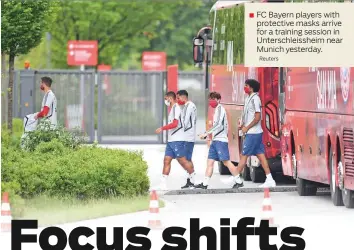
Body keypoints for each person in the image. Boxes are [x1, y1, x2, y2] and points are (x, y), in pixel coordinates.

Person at [225, 79, 276, 188]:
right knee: (261, 156)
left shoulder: (256, 99)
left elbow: (257, 117)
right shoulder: (248, 98)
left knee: (244, 156)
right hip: (253, 132)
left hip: (253, 133)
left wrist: (246, 128)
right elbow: (249, 115)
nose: (244, 87)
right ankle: (270, 179)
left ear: (251, 88)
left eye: (246, 85)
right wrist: (242, 123)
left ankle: (236, 177)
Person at [194, 92, 241, 189]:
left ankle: (238, 181)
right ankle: (205, 184)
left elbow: (219, 124)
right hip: (215, 141)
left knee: (226, 162)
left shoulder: (220, 109)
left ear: (219, 100)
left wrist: (206, 133)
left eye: (213, 99)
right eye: (210, 99)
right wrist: (208, 135)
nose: (211, 101)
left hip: (221, 141)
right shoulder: (216, 110)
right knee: (210, 162)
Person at [153, 91, 196, 190]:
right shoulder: (172, 108)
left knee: (182, 161)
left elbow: (175, 124)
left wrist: (162, 128)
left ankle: (193, 178)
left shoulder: (176, 108)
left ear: (170, 98)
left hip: (177, 140)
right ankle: (163, 184)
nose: (165, 101)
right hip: (171, 141)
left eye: (165, 99)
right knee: (166, 160)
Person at [176, 89, 197, 187]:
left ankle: (192, 181)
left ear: (183, 96)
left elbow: (185, 123)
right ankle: (190, 180)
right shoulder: (187, 106)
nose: (177, 99)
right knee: (188, 159)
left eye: (178, 97)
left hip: (188, 137)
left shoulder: (190, 106)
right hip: (187, 136)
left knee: (187, 159)